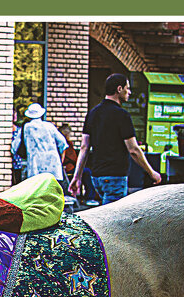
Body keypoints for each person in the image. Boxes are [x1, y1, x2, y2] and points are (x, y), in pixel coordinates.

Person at [68, 73, 162, 205]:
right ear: (119, 89)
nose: (129, 92)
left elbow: (84, 148)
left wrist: (77, 177)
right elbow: (134, 150)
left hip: (97, 177)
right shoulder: (122, 115)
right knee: (113, 220)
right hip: (115, 177)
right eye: (127, 88)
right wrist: (151, 172)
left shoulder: (92, 113)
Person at [11, 103, 69, 186]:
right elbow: (63, 143)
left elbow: (14, 147)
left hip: (35, 166)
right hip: (53, 166)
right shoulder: (50, 126)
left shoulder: (27, 127)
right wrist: (61, 160)